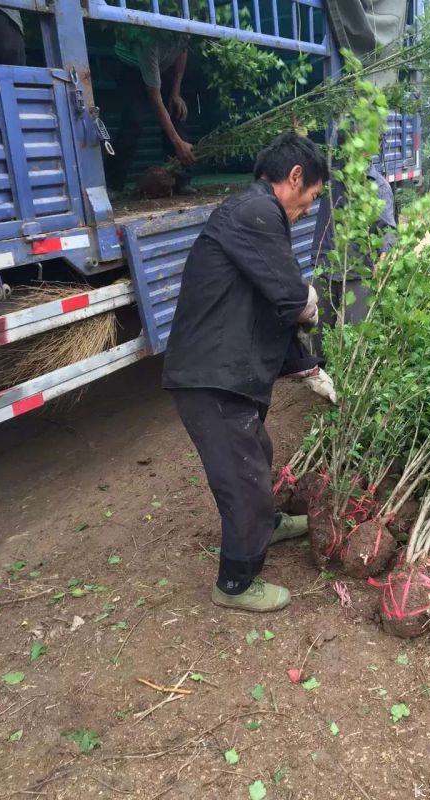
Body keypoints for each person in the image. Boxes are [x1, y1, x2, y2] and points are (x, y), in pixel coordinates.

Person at [162, 134, 329, 612]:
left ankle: (267, 526)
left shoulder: (255, 215)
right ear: (295, 177)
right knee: (243, 476)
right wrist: (309, 306)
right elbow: (289, 299)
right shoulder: (256, 213)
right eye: (311, 198)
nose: (306, 210)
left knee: (257, 449)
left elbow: (268, 304)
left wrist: (309, 367)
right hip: (209, 376)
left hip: (224, 370)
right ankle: (235, 583)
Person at [311, 155, 397, 358]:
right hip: (326, 263)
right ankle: (321, 371)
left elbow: (388, 230)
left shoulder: (377, 185)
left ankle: (351, 379)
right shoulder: (329, 177)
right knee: (317, 328)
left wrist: (383, 259)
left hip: (358, 268)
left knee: (356, 332)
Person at [105, 29, 195, 195]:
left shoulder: (182, 30)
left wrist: (176, 93)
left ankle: (181, 181)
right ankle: (113, 184)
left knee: (176, 111)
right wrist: (177, 143)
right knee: (134, 120)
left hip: (162, 65)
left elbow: (182, 52)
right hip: (131, 66)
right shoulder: (149, 42)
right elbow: (155, 99)